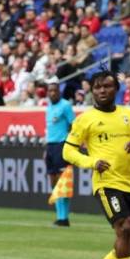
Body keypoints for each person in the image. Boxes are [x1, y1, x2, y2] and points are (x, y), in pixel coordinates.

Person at [63, 70, 130, 259]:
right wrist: (91, 162)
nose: (102, 91)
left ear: (116, 89)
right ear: (92, 91)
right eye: (97, 87)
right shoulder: (85, 119)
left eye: (107, 86)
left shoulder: (128, 115)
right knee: (124, 227)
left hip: (129, 184)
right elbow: (68, 150)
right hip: (106, 184)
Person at [45, 80, 76, 226]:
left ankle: (64, 217)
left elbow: (74, 125)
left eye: (54, 91)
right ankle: (59, 216)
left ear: (59, 92)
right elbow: (50, 129)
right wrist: (46, 148)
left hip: (61, 145)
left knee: (62, 181)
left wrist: (70, 145)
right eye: (50, 91)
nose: (52, 93)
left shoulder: (65, 106)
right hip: (51, 146)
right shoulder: (49, 107)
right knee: (53, 182)